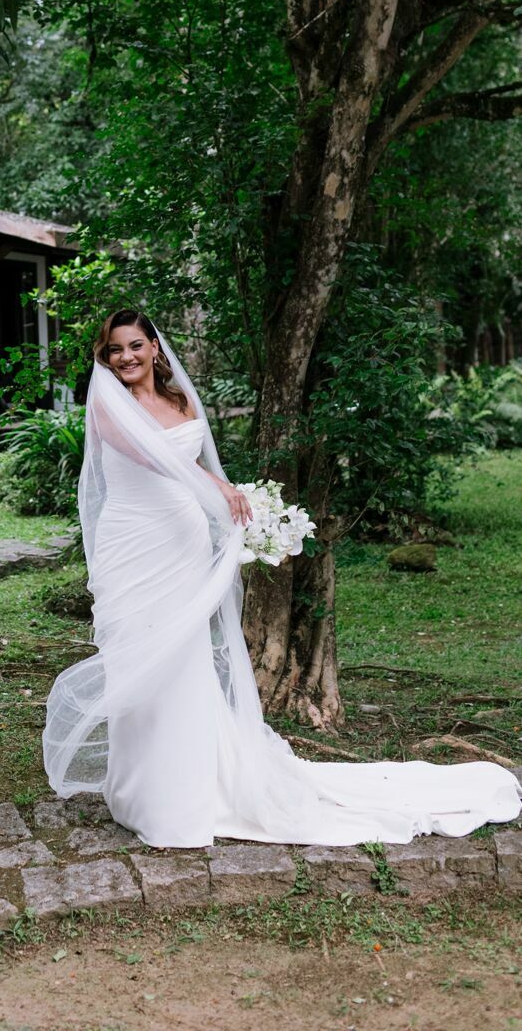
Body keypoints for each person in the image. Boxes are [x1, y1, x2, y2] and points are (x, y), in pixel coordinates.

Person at [42, 309, 521, 848]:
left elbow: (198, 467)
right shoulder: (110, 407)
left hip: (182, 540)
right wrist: (220, 491)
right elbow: (156, 460)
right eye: (113, 350)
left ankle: (184, 790)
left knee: (184, 661)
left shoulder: (179, 402)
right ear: (105, 359)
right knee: (142, 657)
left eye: (134, 345)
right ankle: (140, 790)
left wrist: (241, 512)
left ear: (155, 348)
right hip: (134, 543)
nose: (125, 357)